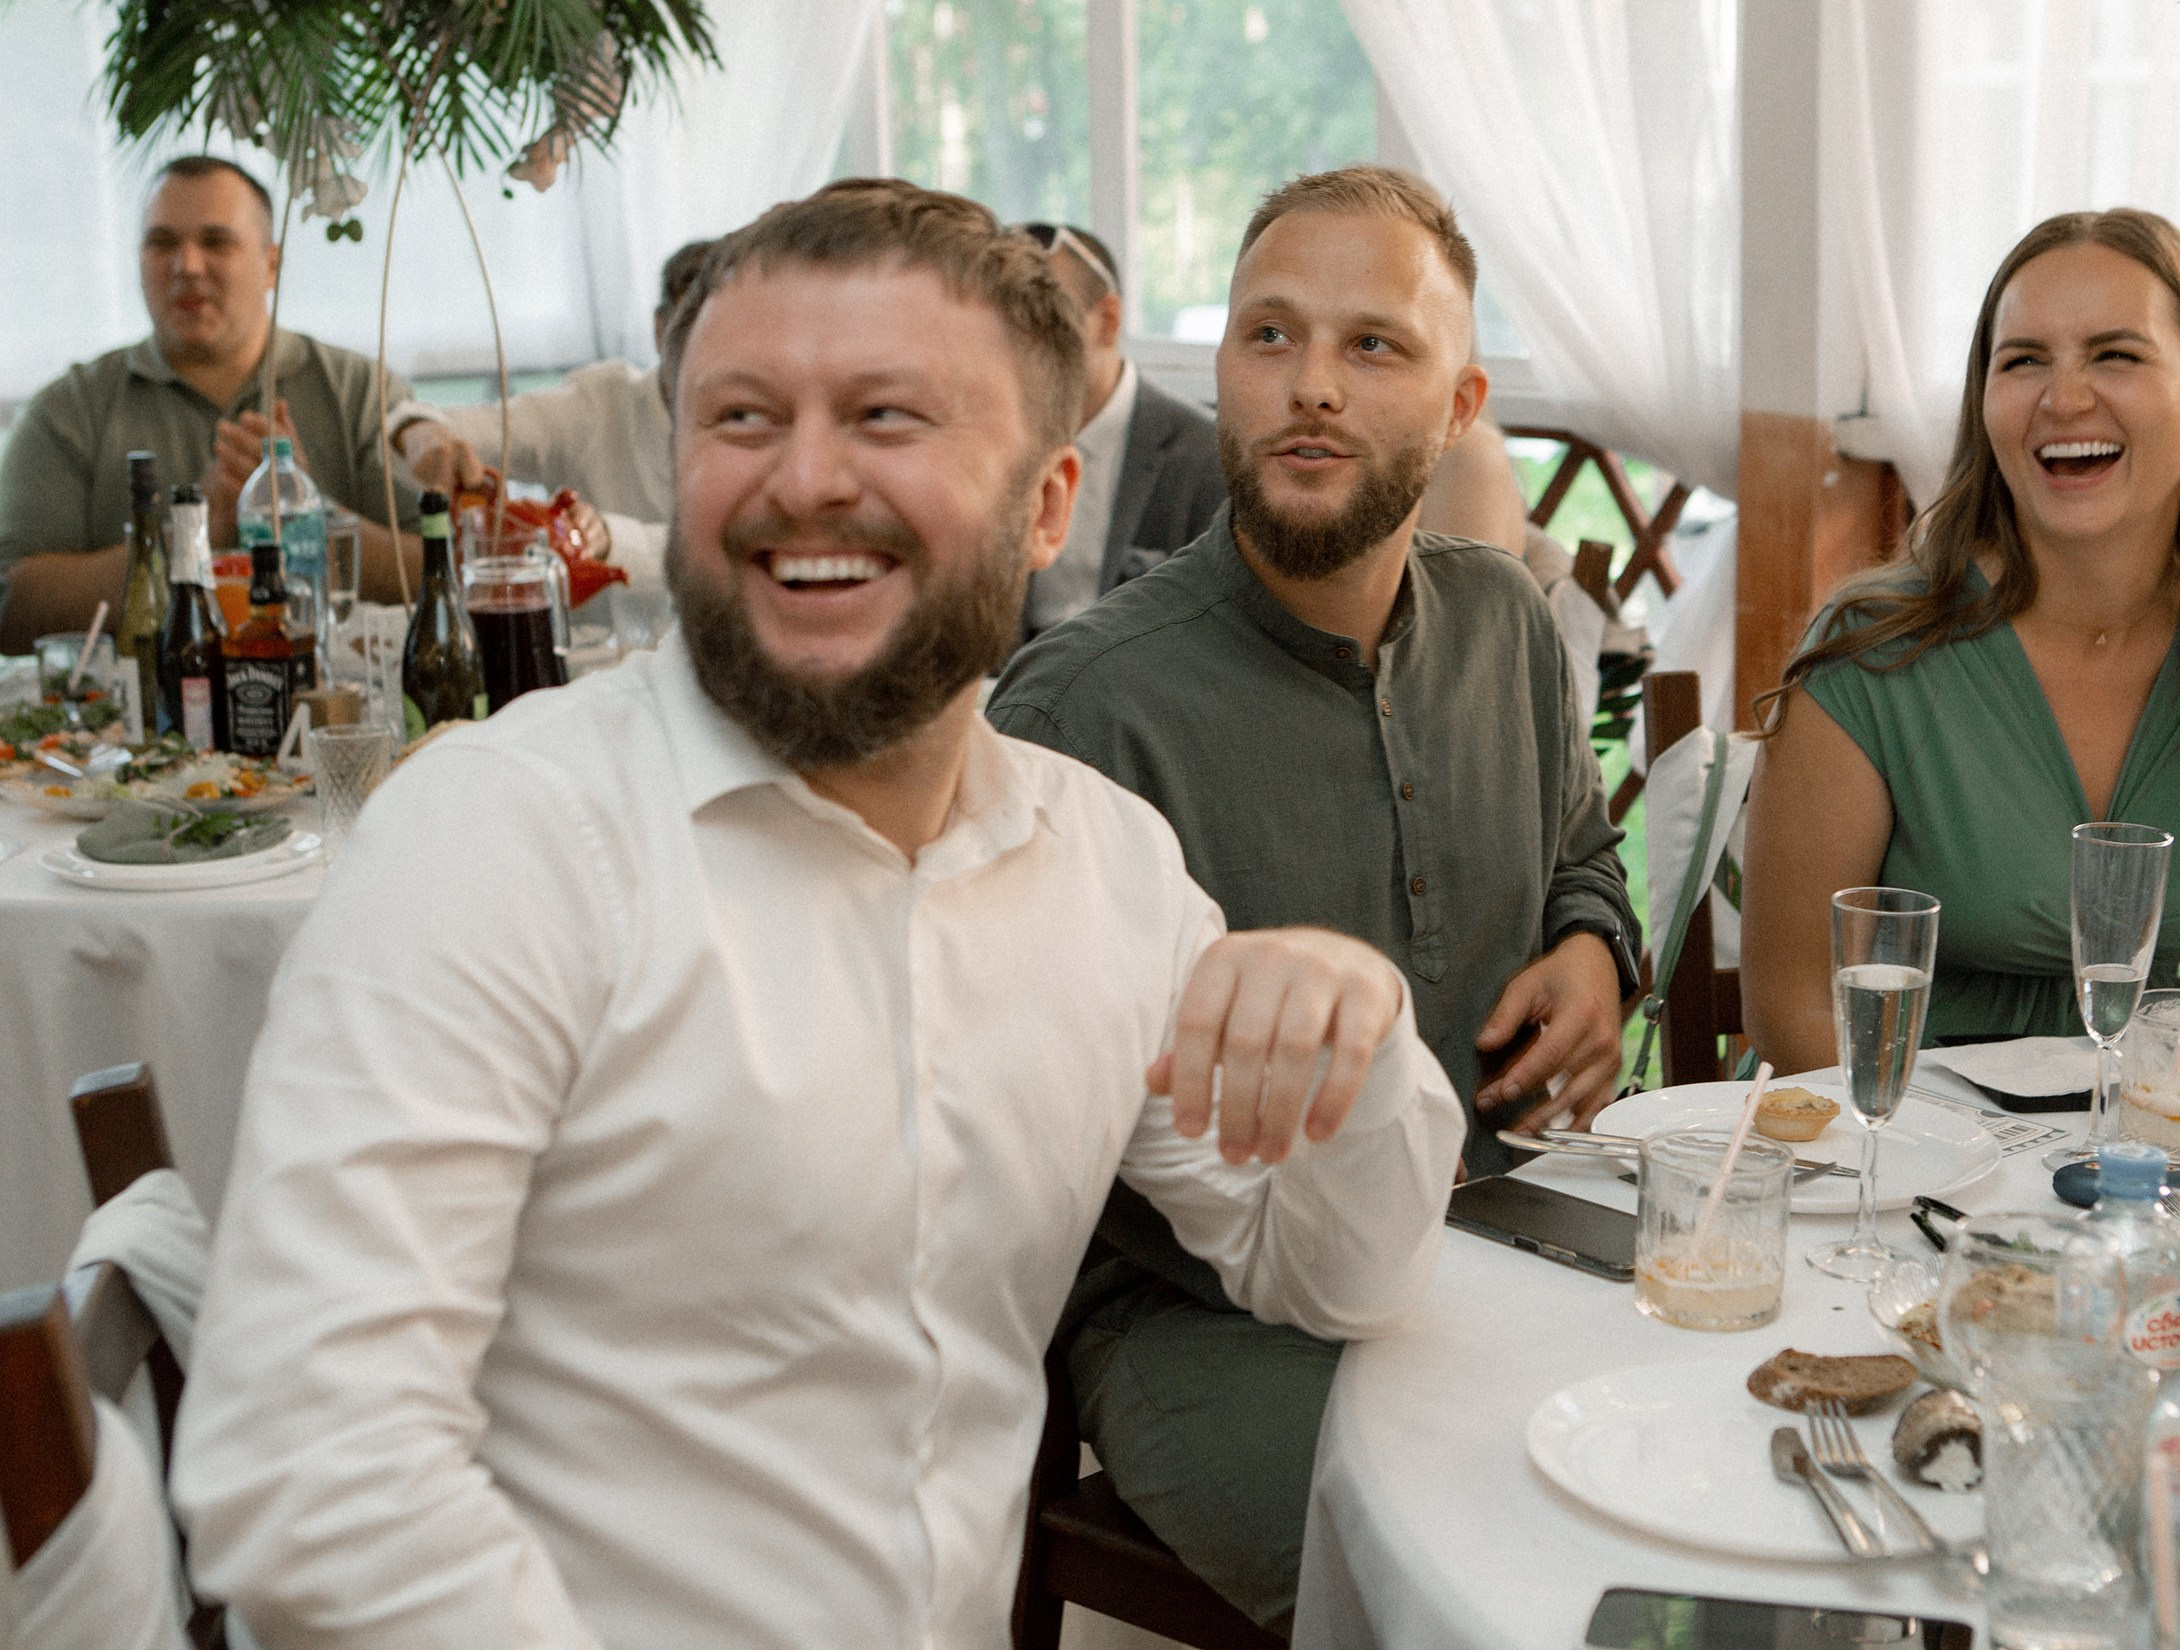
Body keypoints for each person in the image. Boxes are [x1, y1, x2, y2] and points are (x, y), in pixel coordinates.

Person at [170, 180, 1462, 1650]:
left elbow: (1338, 1272)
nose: (801, 479)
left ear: (1046, 507)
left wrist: (1358, 1043)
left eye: (885, 417)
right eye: (739, 418)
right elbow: (312, 1482)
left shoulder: (1105, 868)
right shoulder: (497, 840)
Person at [987, 165, 1639, 1629]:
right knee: (1498, 1587)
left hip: (1514, 1237)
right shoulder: (1082, 708)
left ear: (1460, 406)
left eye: (1373, 346)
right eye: (1268, 334)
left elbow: (1584, 863)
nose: (1311, 387)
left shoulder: (1508, 622)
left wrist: (1594, 947)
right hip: (1209, 1319)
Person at [1740, 208, 2180, 1071]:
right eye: (2022, 361)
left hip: (2139, 1132)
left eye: (2115, 355)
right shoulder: (1871, 653)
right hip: (1884, 1124)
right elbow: (1792, 1012)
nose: (2062, 400)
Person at [0, 155, 417, 649]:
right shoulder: (69, 410)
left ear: (271, 264)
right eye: (162, 243)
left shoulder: (360, 392)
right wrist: (188, 537)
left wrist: (306, 518)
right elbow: (10, 605)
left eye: (216, 242)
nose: (188, 266)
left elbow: (440, 567)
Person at [383, 239, 714, 588]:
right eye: (696, 330)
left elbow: (724, 552)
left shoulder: (756, 431)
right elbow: (449, 429)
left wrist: (612, 537)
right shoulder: (597, 406)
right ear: (660, 329)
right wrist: (420, 432)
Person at [1013, 221, 1223, 635]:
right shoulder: (996, 440)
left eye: (1047, 321)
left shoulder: (1204, 453)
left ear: (1108, 320)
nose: (1022, 348)